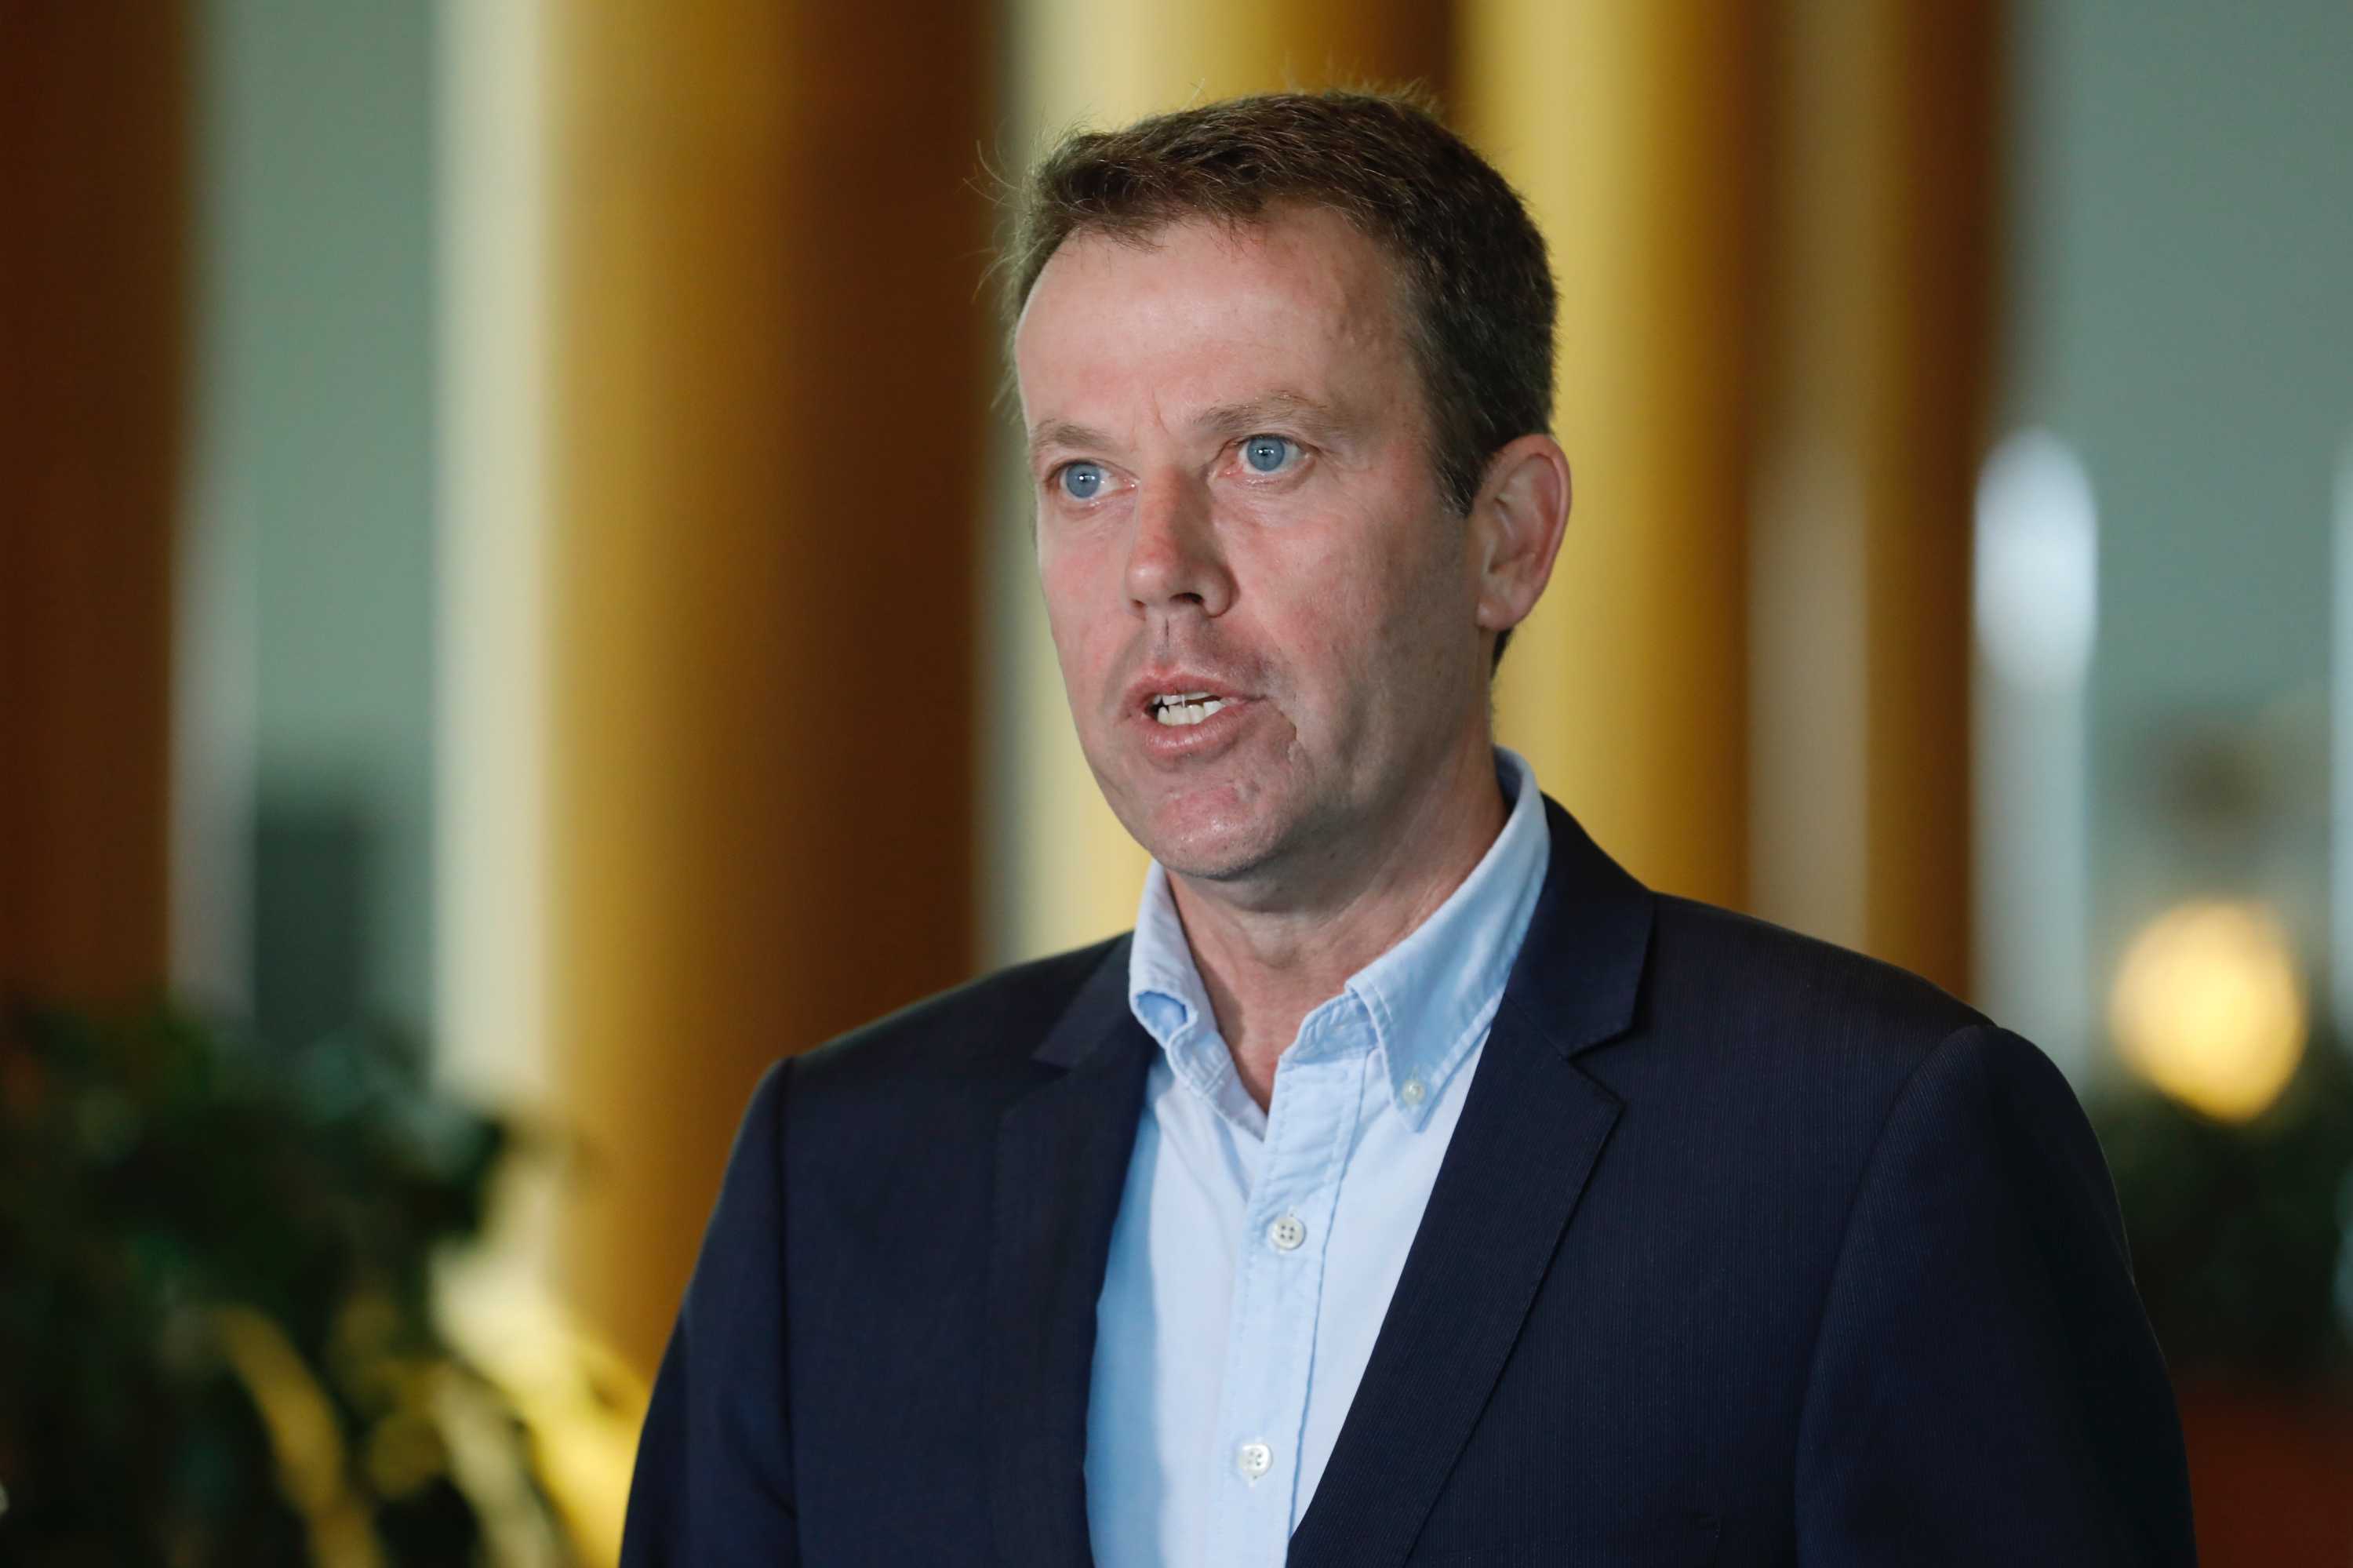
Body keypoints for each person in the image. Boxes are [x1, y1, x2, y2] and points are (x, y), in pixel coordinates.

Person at [620, 89, 2195, 1567]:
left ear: (1507, 538)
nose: (1159, 565)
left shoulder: (1874, 1149)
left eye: (1265, 453)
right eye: (1084, 475)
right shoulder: (840, 1172)